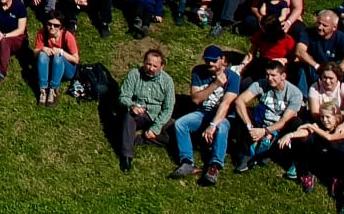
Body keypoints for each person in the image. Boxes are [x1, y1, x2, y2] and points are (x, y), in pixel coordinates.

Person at [169, 45, 240, 183]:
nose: (210, 64)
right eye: (207, 60)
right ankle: (187, 161)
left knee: (222, 127)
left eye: (214, 60)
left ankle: (215, 166)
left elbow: (226, 104)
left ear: (222, 59)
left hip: (222, 116)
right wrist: (215, 84)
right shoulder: (198, 71)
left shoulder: (233, 77)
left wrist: (213, 125)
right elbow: (196, 99)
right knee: (180, 124)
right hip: (202, 112)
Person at [231, 58, 304, 173]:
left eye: (273, 75)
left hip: (279, 127)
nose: (270, 78)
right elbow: (239, 101)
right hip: (261, 119)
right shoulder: (261, 84)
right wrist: (250, 127)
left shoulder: (295, 93)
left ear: (283, 76)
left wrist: (265, 131)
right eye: (267, 75)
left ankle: (276, 153)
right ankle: (245, 154)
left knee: (296, 122)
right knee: (240, 111)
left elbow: (285, 120)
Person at [115, 48, 175, 172]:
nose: (151, 68)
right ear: (144, 62)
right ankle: (126, 156)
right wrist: (132, 105)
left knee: (175, 135)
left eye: (155, 66)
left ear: (162, 66)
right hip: (140, 112)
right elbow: (123, 96)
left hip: (157, 114)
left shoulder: (167, 81)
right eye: (148, 64)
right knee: (129, 117)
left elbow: (168, 108)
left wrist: (156, 127)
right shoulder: (134, 74)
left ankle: (143, 138)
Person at [32, 15, 77, 104]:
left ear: (61, 27)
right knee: (42, 54)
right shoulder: (42, 33)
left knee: (58, 57)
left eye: (56, 25)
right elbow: (35, 54)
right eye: (49, 24)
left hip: (67, 70)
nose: (52, 27)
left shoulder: (67, 36)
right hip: (51, 67)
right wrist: (42, 49)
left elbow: (76, 59)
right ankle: (43, 89)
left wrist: (61, 52)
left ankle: (53, 89)